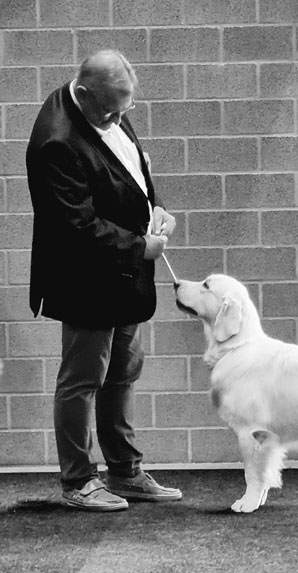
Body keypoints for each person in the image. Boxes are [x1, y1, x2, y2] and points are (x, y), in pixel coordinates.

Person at [26, 50, 182, 512]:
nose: (119, 116)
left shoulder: (108, 107)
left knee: (122, 372)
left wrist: (157, 207)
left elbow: (133, 169)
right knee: (83, 380)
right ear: (85, 91)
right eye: (112, 109)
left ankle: (124, 471)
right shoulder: (56, 141)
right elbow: (77, 225)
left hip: (123, 275)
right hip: (85, 279)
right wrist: (140, 247)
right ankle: (77, 481)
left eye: (125, 107)